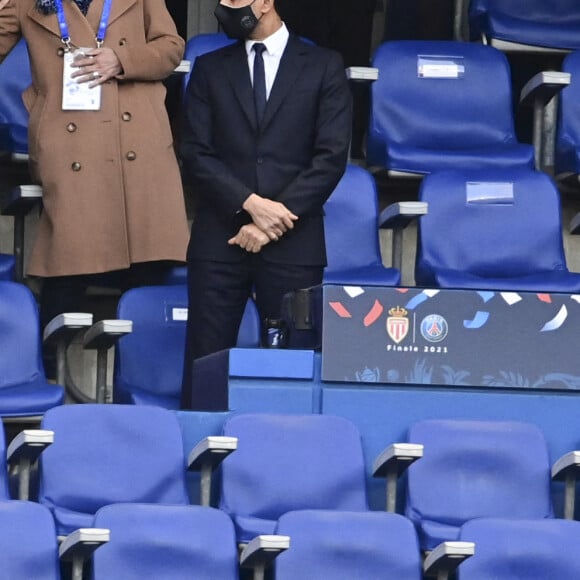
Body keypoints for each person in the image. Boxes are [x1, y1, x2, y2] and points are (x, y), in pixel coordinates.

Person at [180, 0, 352, 410]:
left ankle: (285, 461)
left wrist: (270, 221)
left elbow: (330, 158)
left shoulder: (323, 65)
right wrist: (250, 204)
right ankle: (199, 457)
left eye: (234, 0)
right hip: (220, 238)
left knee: (293, 362)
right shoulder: (209, 67)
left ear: (265, 2)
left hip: (295, 241)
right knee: (206, 357)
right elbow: (195, 153)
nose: (224, 7)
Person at [0, 1, 190, 331]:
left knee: (145, 271)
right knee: (67, 267)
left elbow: (171, 48)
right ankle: (46, 370)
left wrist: (122, 59)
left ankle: (133, 372)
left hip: (138, 143)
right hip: (70, 145)